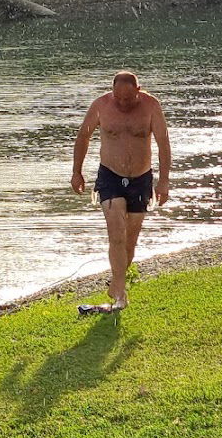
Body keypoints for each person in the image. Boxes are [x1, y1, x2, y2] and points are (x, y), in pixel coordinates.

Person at [71, 71, 171, 313]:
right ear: (112, 91)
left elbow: (163, 143)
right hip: (110, 175)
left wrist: (164, 182)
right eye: (119, 99)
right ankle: (120, 293)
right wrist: (77, 172)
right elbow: (83, 136)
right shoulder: (101, 105)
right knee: (116, 232)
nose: (123, 104)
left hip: (141, 177)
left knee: (130, 239)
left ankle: (116, 283)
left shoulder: (151, 106)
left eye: (128, 99)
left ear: (139, 90)